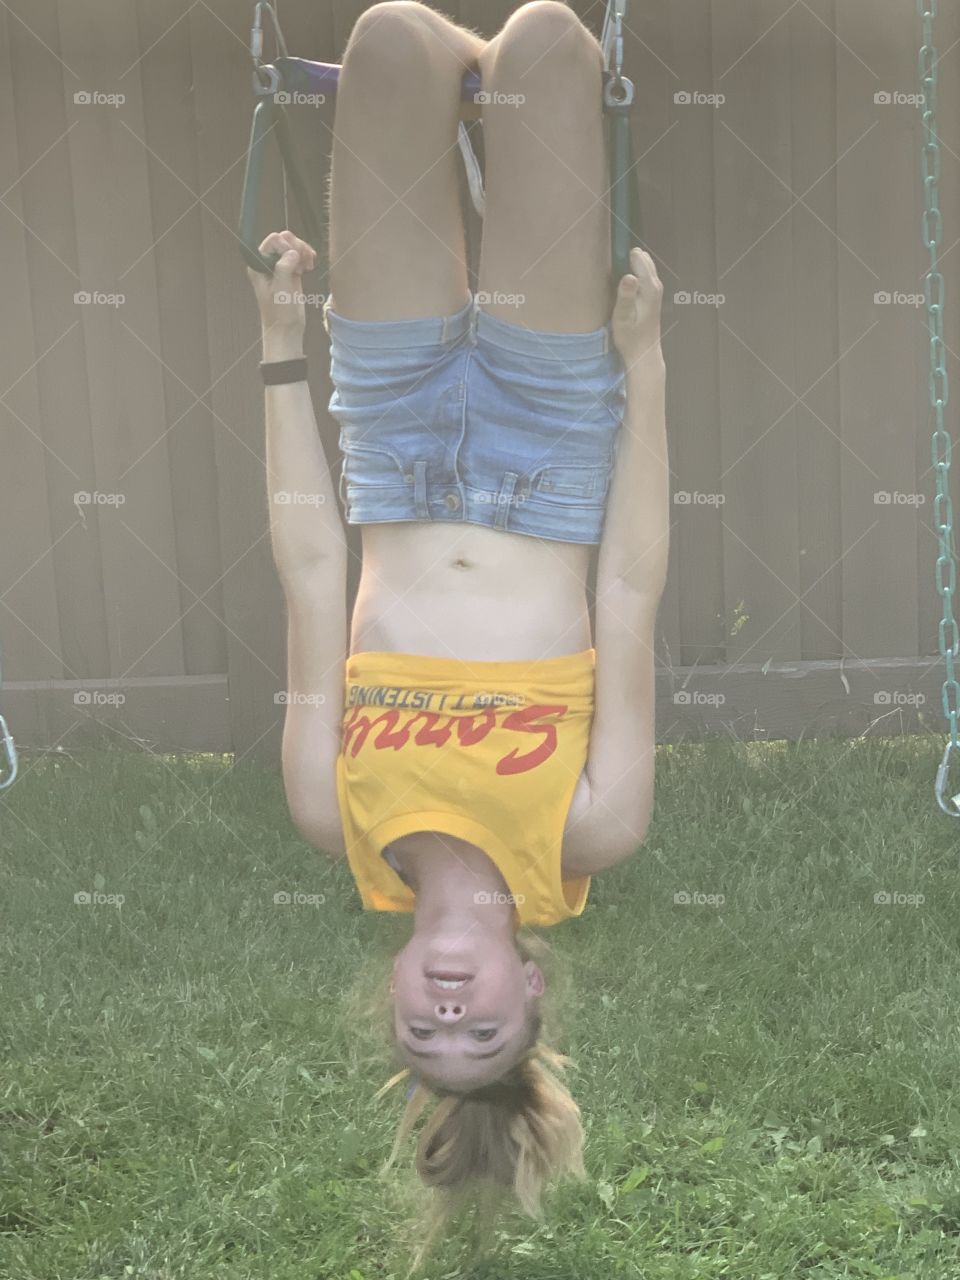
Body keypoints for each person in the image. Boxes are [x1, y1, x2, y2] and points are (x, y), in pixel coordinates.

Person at [246, 0, 667, 1254]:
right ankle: (503, 97)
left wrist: (279, 357)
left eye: (422, 1031)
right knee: (550, 46)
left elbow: (315, 568)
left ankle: (455, 87)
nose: (445, 1009)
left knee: (387, 45)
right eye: (481, 1027)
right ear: (529, 986)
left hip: (397, 432)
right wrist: (644, 373)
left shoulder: (335, 814)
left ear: (389, 995)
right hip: (550, 439)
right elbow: (631, 592)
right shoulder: (590, 826)